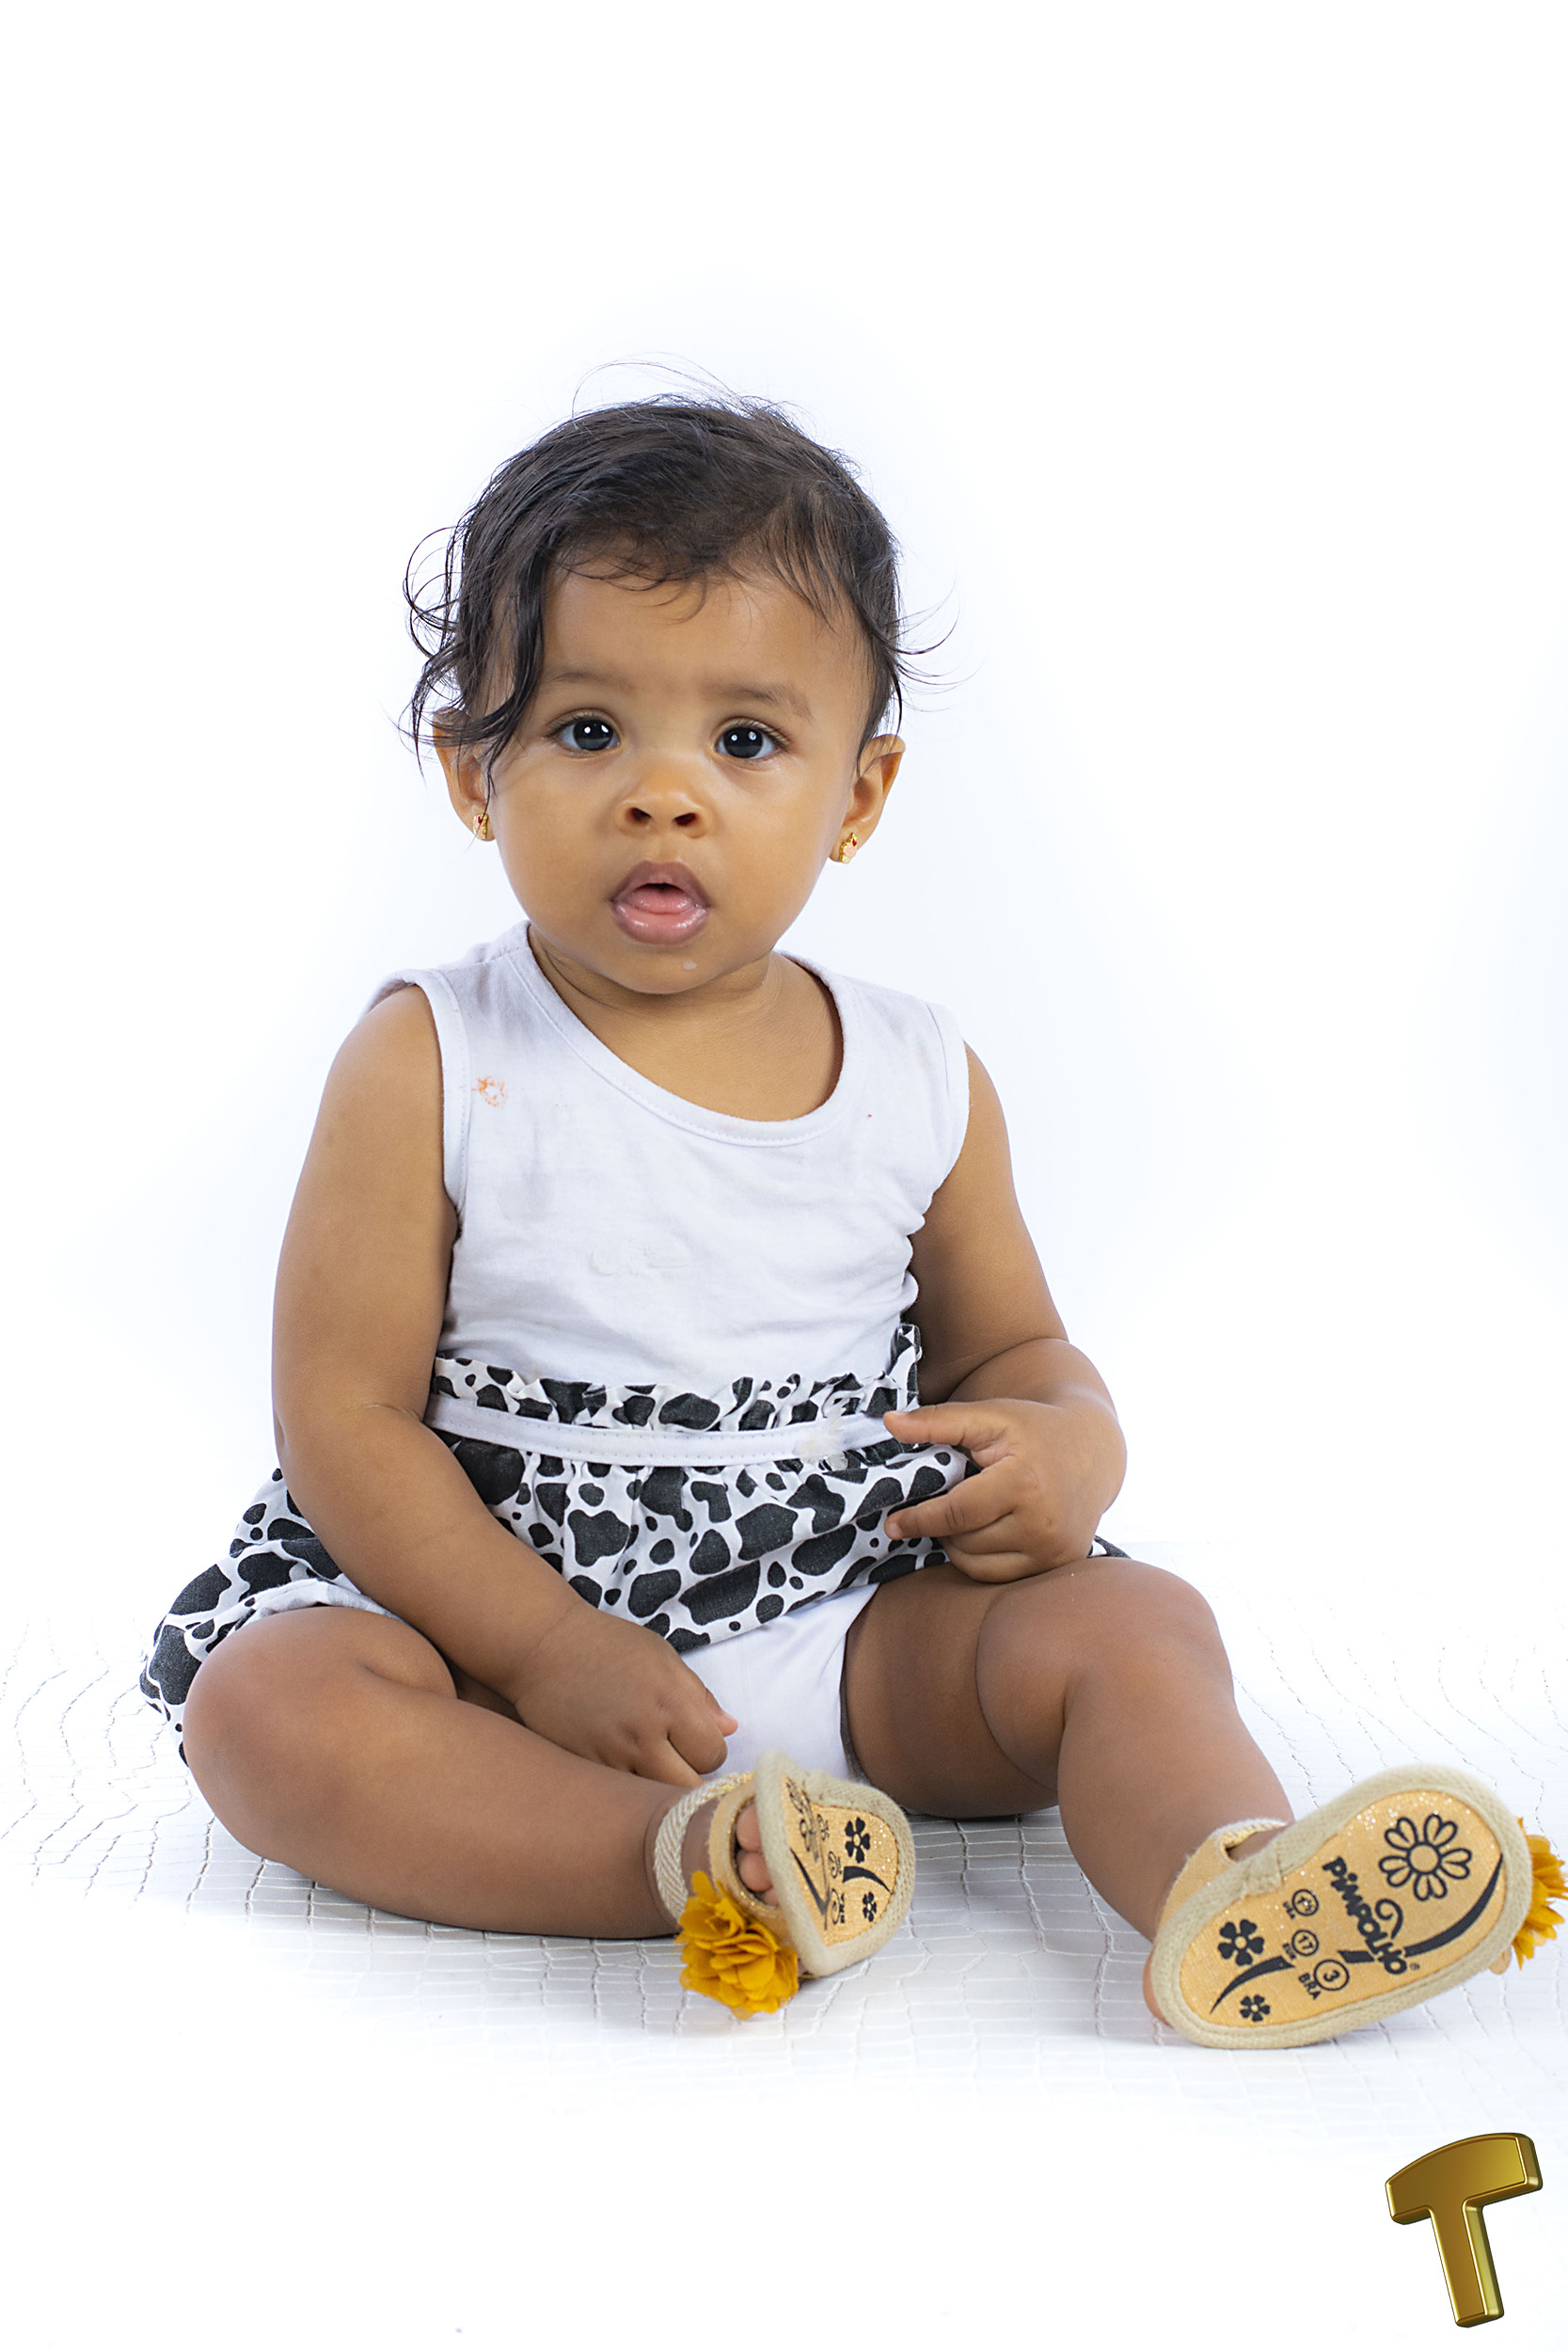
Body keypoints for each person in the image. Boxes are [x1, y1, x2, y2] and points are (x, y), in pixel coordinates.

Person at [140, 395, 1561, 2040]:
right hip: (485, 1624)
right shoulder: (434, 1058)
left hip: (841, 1608)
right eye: (589, 731)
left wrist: (1073, 1447)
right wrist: (538, 1649)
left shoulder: (915, 1077)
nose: (664, 797)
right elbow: (345, 1417)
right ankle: (694, 1862)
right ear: (475, 771)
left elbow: (1014, 1349)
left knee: (1135, 1623)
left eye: (745, 744)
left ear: (860, 793)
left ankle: (1236, 1883)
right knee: (270, 1712)